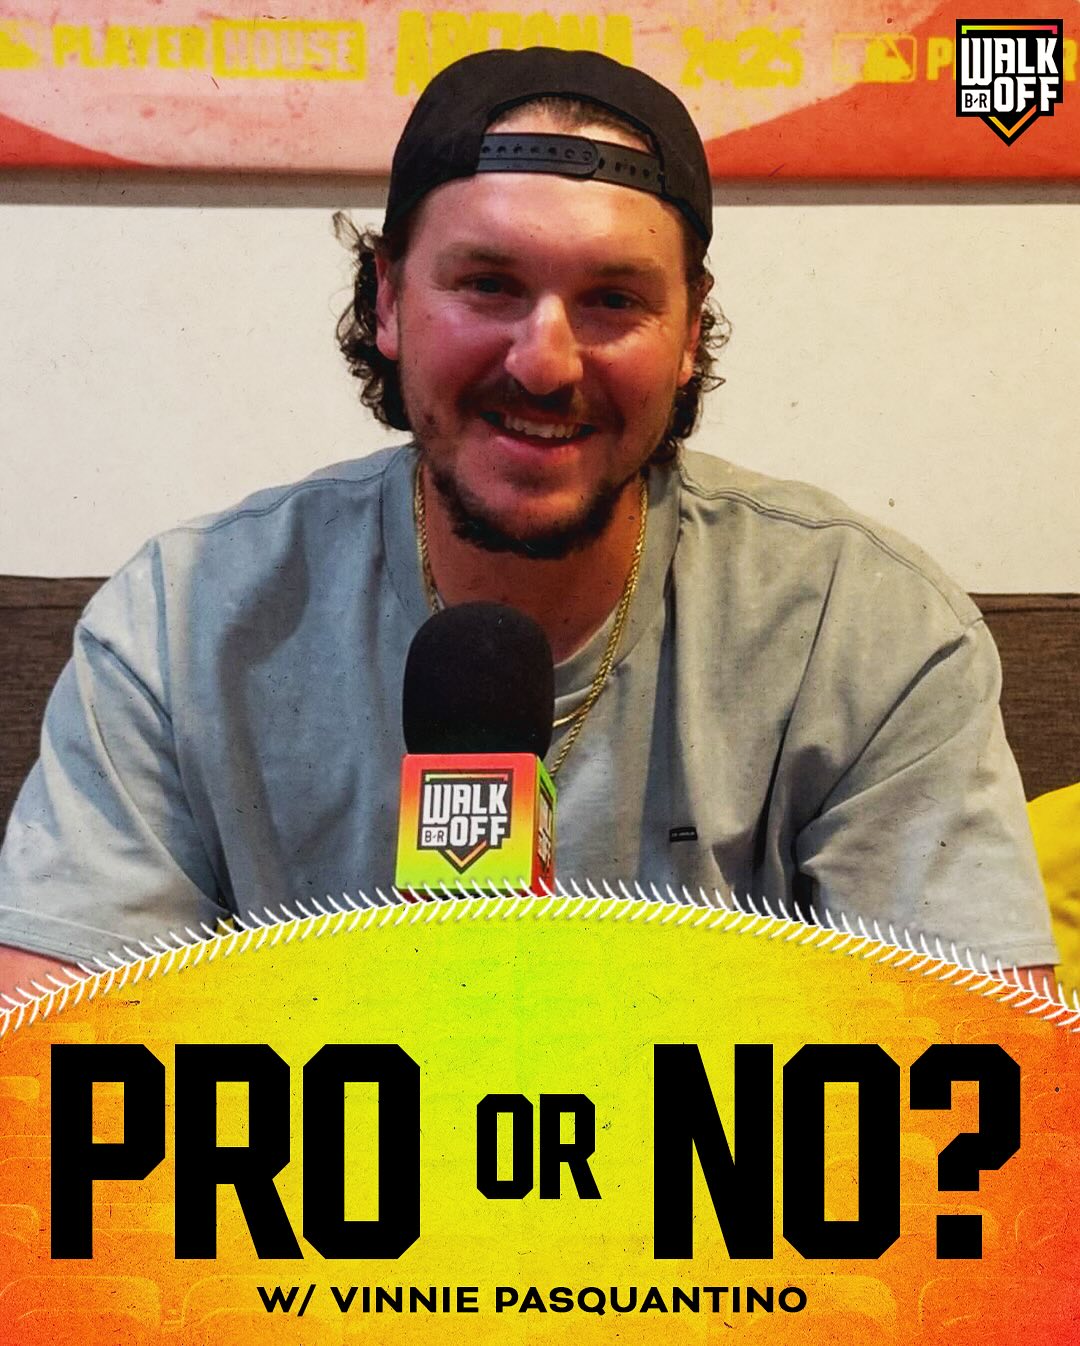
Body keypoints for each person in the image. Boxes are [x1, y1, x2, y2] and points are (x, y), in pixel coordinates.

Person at [0, 47, 1058, 993]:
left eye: (613, 300)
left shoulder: (864, 628)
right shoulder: (179, 626)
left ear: (690, 330)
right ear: (389, 300)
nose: (545, 362)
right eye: (490, 284)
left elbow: (985, 1084)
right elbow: (46, 1077)